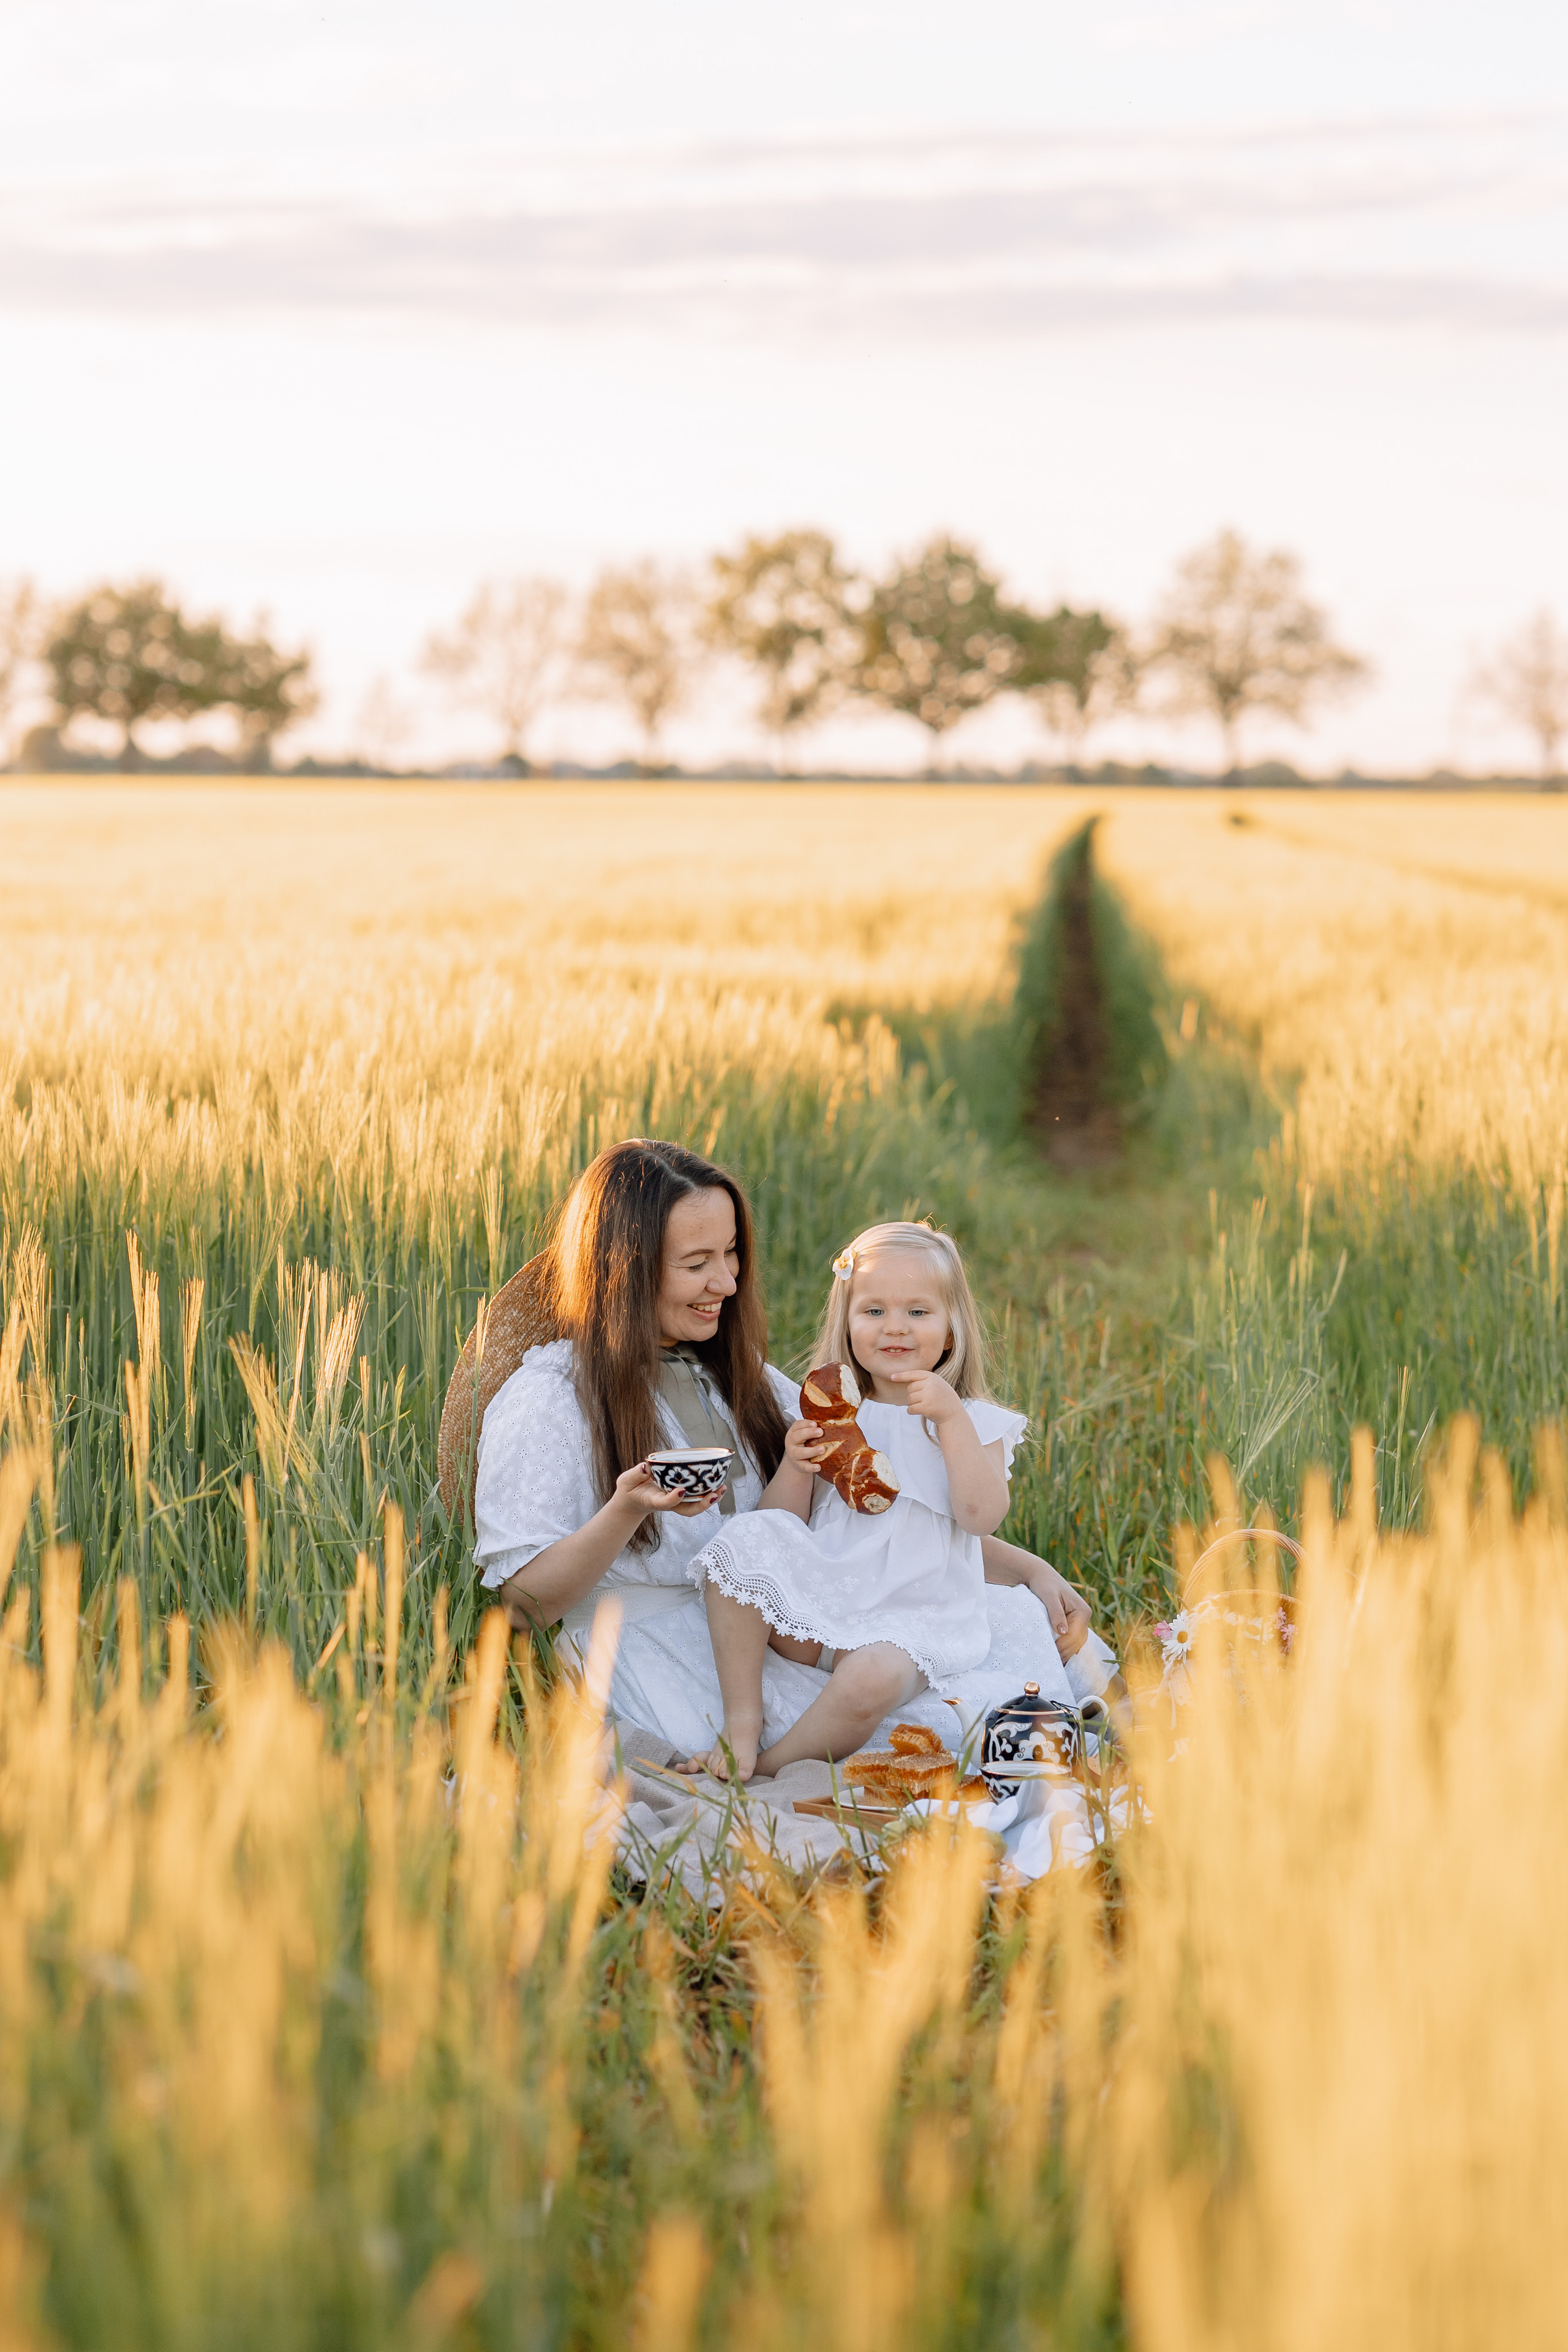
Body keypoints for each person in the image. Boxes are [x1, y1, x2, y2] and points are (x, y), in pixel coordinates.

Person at [473, 1138, 1098, 1765]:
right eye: (696, 1263)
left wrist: (1030, 1571)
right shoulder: (550, 1399)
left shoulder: (736, 1375)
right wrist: (625, 1511)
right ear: (627, 1270)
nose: (726, 1281)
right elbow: (523, 1609)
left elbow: (881, 1525)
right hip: (662, 1652)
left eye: (731, 1253)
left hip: (779, 1618)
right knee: (930, 1722)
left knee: (1007, 1626)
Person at [687, 1221, 1052, 1779]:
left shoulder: (974, 1422)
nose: (895, 1327)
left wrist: (951, 1419)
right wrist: (796, 1466)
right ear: (849, 1323)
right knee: (740, 1543)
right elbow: (780, 1527)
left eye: (918, 1311)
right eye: (874, 1311)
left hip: (913, 1621)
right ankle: (742, 1723)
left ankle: (769, 1769)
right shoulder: (836, 1414)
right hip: (825, 1601)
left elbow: (980, 1517)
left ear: (951, 1331)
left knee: (869, 1682)